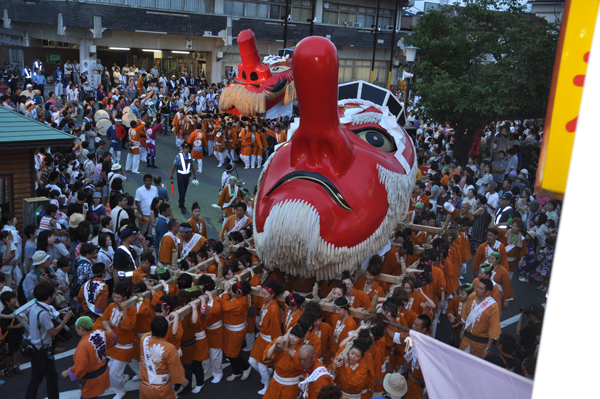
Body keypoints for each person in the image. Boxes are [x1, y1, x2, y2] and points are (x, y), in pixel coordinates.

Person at [25, 283, 74, 399]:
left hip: (33, 347)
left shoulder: (34, 307)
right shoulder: (43, 314)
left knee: (36, 377)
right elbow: (54, 332)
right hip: (42, 350)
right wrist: (65, 320)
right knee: (51, 377)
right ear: (49, 297)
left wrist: (61, 311)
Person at [94, 281, 137, 399]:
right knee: (108, 370)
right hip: (112, 345)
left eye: (118, 297)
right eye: (114, 296)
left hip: (125, 347)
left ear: (125, 298)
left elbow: (127, 327)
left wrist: (124, 312)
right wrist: (93, 332)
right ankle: (122, 378)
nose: (114, 299)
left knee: (112, 373)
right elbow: (103, 320)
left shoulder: (132, 309)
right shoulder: (111, 306)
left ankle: (120, 391)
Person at [60, 316, 117, 399]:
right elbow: (114, 339)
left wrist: (69, 372)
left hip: (91, 380)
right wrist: (108, 327)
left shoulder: (83, 346)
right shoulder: (101, 333)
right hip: (103, 372)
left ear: (81, 329)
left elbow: (80, 368)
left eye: (77, 328)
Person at [249, 280, 286, 394]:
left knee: (261, 365)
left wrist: (275, 346)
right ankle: (266, 376)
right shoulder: (267, 303)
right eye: (263, 293)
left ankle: (267, 384)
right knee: (251, 361)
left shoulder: (274, 309)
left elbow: (275, 329)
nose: (263, 296)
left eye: (265, 294)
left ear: (272, 295)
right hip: (261, 337)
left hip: (268, 340)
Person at [139, 317, 188, 399]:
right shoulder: (169, 348)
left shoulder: (144, 339)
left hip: (145, 387)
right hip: (161, 389)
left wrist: (161, 327)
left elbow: (150, 334)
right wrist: (183, 381)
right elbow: (175, 369)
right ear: (166, 331)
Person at [459, 278, 501, 358]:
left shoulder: (493, 306)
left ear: (487, 292)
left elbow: (494, 328)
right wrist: (462, 329)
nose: (477, 289)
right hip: (466, 340)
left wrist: (488, 348)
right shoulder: (472, 296)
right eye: (477, 287)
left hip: (481, 345)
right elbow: (465, 316)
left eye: (480, 288)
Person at [221, 279, 252, 381]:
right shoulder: (244, 297)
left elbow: (225, 306)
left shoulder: (238, 303)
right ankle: (236, 372)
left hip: (235, 331)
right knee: (229, 352)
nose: (231, 292)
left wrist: (225, 291)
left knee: (232, 354)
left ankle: (246, 367)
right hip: (231, 328)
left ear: (239, 293)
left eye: (233, 291)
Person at [1, 291, 24, 377]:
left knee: (15, 350)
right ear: (7, 301)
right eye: (13, 298)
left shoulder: (15, 307)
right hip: (9, 336)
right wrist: (17, 326)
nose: (15, 299)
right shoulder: (5, 312)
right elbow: (4, 326)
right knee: (8, 353)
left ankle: (15, 366)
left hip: (16, 335)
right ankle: (7, 369)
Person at [169, 142, 197, 213]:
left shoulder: (190, 156)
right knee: (182, 190)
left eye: (188, 149)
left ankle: (181, 200)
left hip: (187, 176)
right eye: (185, 148)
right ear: (183, 149)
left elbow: (192, 166)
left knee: (184, 190)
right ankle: (182, 205)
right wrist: (171, 174)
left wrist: (194, 175)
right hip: (180, 175)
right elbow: (174, 165)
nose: (187, 150)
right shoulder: (179, 156)